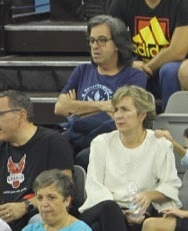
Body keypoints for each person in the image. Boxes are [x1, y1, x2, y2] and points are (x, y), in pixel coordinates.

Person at [78, 84, 181, 231]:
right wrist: (119, 213)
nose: (118, 115)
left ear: (141, 115)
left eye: (125, 110)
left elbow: (170, 186)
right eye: (116, 109)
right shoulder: (101, 143)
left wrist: (149, 195)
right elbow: (94, 186)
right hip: (106, 209)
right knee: (108, 211)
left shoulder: (159, 144)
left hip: (141, 215)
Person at [54, 14, 147, 166]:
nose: (95, 46)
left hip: (112, 140)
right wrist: (103, 106)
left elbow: (121, 114)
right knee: (53, 150)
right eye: (92, 40)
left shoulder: (134, 76)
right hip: (76, 137)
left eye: (102, 40)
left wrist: (77, 109)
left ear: (117, 44)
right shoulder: (82, 71)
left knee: (85, 156)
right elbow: (60, 107)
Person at [0, 90, 74, 231]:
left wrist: (25, 206)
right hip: (7, 219)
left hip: (39, 214)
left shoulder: (54, 142)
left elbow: (63, 191)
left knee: (38, 221)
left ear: (21, 115)